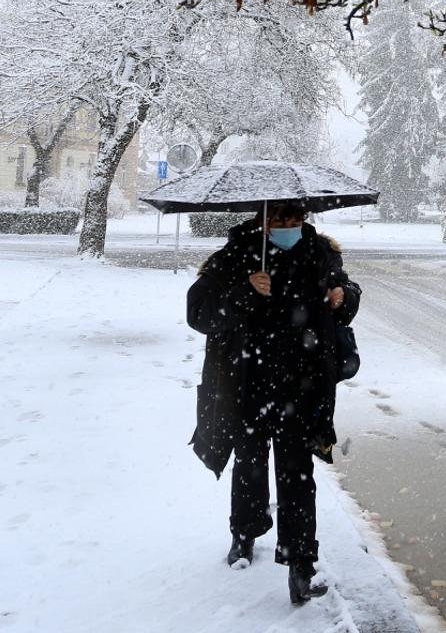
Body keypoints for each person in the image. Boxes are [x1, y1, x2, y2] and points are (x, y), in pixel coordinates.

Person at [186, 202, 361, 605]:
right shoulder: (233, 256)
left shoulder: (321, 253)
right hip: (246, 384)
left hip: (302, 387)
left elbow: (348, 296)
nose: (288, 227)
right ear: (262, 220)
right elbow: (199, 313)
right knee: (248, 466)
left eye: (295, 220)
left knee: (298, 475)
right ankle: (244, 535)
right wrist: (245, 292)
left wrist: (342, 296)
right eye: (279, 220)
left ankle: (301, 563)